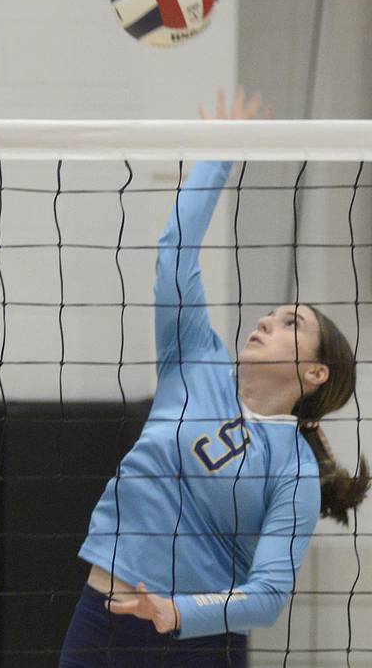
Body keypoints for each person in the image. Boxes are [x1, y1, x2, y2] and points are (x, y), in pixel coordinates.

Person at [59, 89, 370, 667]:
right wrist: (219, 152)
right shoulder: (196, 362)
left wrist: (178, 613)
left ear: (314, 371)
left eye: (288, 322)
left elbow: (268, 595)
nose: (265, 321)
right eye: (271, 314)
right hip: (98, 622)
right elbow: (175, 252)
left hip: (194, 646)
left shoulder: (293, 468)